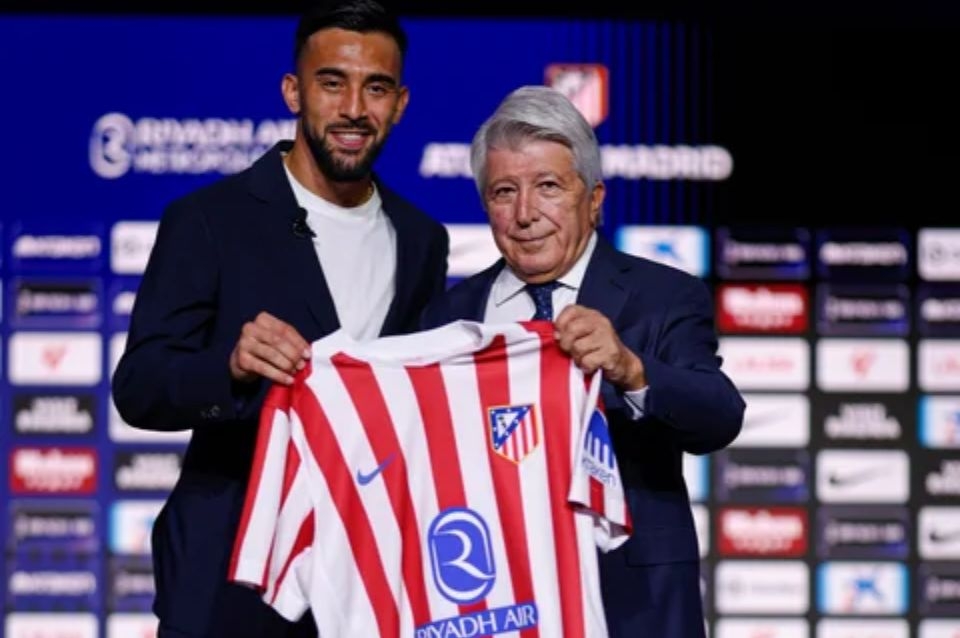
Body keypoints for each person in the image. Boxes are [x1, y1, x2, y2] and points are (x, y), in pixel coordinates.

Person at [111, 1, 449, 636]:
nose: (354, 108)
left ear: (400, 103)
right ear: (294, 91)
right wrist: (231, 369)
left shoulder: (422, 238)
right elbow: (139, 386)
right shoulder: (208, 219)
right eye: (332, 83)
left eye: (376, 88)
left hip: (368, 581)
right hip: (229, 581)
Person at [420, 85, 745, 638]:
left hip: (632, 608)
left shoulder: (664, 296)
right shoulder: (447, 318)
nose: (525, 214)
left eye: (548, 186)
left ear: (593, 199)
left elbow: (719, 416)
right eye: (504, 191)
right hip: (491, 602)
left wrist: (631, 369)